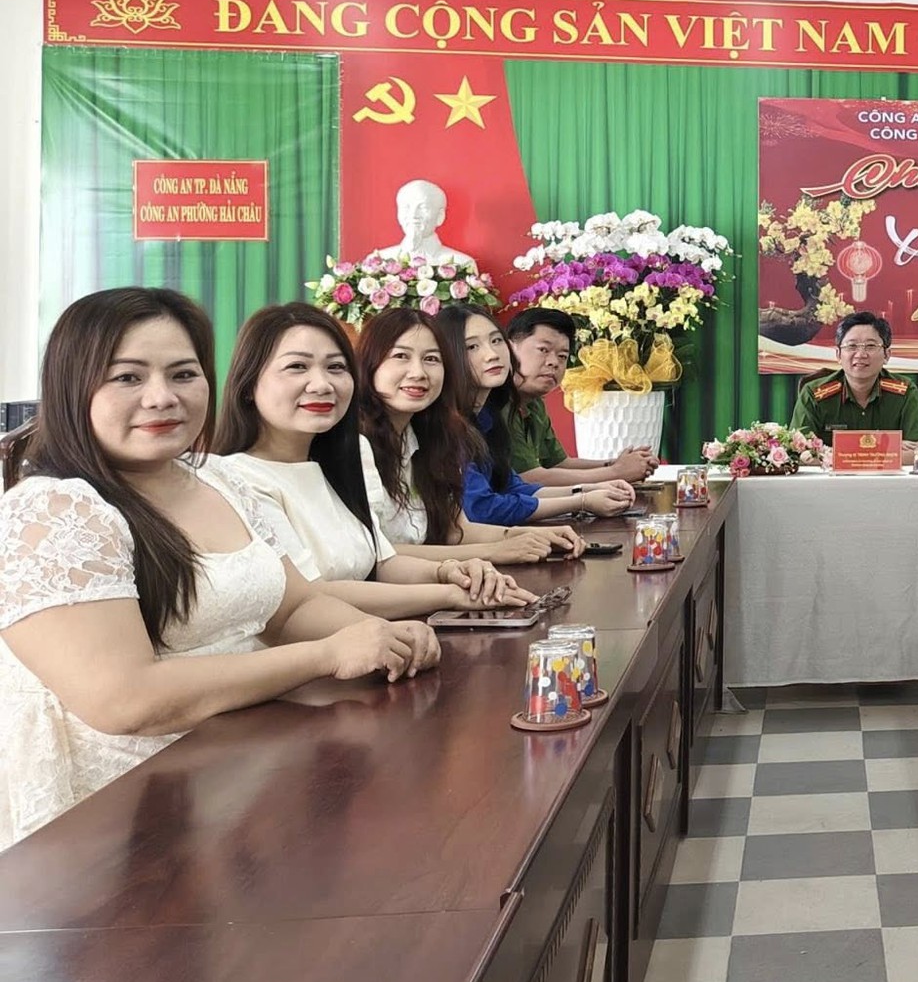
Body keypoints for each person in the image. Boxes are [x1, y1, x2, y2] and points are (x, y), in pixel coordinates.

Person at [0, 288, 439, 851]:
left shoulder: (217, 478)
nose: (162, 397)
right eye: (128, 377)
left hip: (240, 772)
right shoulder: (55, 510)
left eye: (183, 374)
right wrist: (329, 654)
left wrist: (379, 636)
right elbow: (124, 700)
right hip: (123, 818)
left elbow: (293, 606)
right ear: (71, 387)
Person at [207, 304, 535, 620]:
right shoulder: (237, 479)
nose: (322, 384)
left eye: (336, 367)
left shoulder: (344, 457)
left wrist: (449, 571)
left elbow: (381, 560)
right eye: (297, 367)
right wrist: (448, 592)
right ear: (248, 383)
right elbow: (306, 597)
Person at [353, 310, 581, 564]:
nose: (418, 372)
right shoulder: (355, 445)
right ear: (369, 363)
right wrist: (494, 550)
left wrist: (530, 536)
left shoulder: (437, 434)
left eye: (431, 359)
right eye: (401, 356)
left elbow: (455, 530)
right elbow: (375, 553)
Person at [436, 306, 634, 527]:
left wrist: (590, 490)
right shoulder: (445, 425)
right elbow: (482, 509)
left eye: (496, 341)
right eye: (472, 346)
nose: (492, 354)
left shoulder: (486, 417)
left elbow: (513, 487)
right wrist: (582, 500)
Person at [504, 308, 654, 486]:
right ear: (508, 349)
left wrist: (616, 464)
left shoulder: (534, 403)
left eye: (562, 356)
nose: (554, 362)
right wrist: (617, 472)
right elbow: (530, 478)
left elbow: (559, 464)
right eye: (543, 350)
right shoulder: (498, 403)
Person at [788, 312, 918, 461]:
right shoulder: (814, 393)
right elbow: (800, 453)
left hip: (886, 478)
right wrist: (886, 449)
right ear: (838, 355)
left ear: (886, 355)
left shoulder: (904, 391)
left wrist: (838, 455)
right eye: (852, 346)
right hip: (834, 478)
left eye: (870, 346)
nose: (860, 354)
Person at [373, 179, 476, 270]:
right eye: (406, 207)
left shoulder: (462, 264)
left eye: (423, 208)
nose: (413, 215)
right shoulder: (378, 262)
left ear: (440, 216)